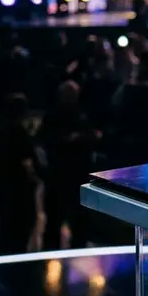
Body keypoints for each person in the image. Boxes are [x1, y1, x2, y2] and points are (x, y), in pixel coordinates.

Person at [39, 80, 98, 249]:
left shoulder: (82, 116)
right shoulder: (53, 117)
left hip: (77, 176)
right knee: (54, 222)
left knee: (79, 223)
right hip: (59, 175)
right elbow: (47, 140)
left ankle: (75, 256)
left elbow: (91, 139)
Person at [0, 94, 41, 255]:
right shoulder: (21, 137)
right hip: (21, 197)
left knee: (6, 236)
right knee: (19, 238)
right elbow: (30, 166)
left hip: (3, 194)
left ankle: (1, 272)